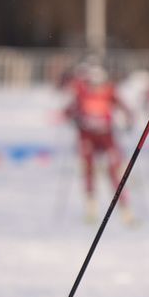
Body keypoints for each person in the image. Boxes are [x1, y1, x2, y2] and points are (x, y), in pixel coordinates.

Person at [63, 59, 135, 224]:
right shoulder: (82, 92)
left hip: (106, 135)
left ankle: (125, 210)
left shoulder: (109, 91)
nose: (96, 87)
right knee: (88, 170)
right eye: (93, 83)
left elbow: (124, 107)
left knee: (114, 171)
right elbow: (69, 110)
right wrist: (73, 118)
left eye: (99, 83)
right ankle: (91, 207)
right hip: (87, 136)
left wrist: (128, 120)